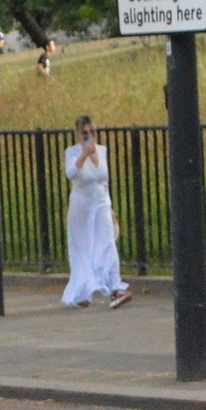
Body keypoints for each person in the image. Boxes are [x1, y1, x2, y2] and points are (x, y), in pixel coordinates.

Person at [62, 115, 131, 308]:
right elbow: (71, 174)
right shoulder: (73, 152)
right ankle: (82, 291)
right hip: (81, 204)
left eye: (93, 131)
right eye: (85, 133)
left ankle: (116, 288)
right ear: (78, 134)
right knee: (82, 248)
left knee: (107, 243)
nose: (90, 136)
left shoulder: (102, 151)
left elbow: (103, 179)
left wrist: (109, 206)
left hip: (100, 202)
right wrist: (84, 155)